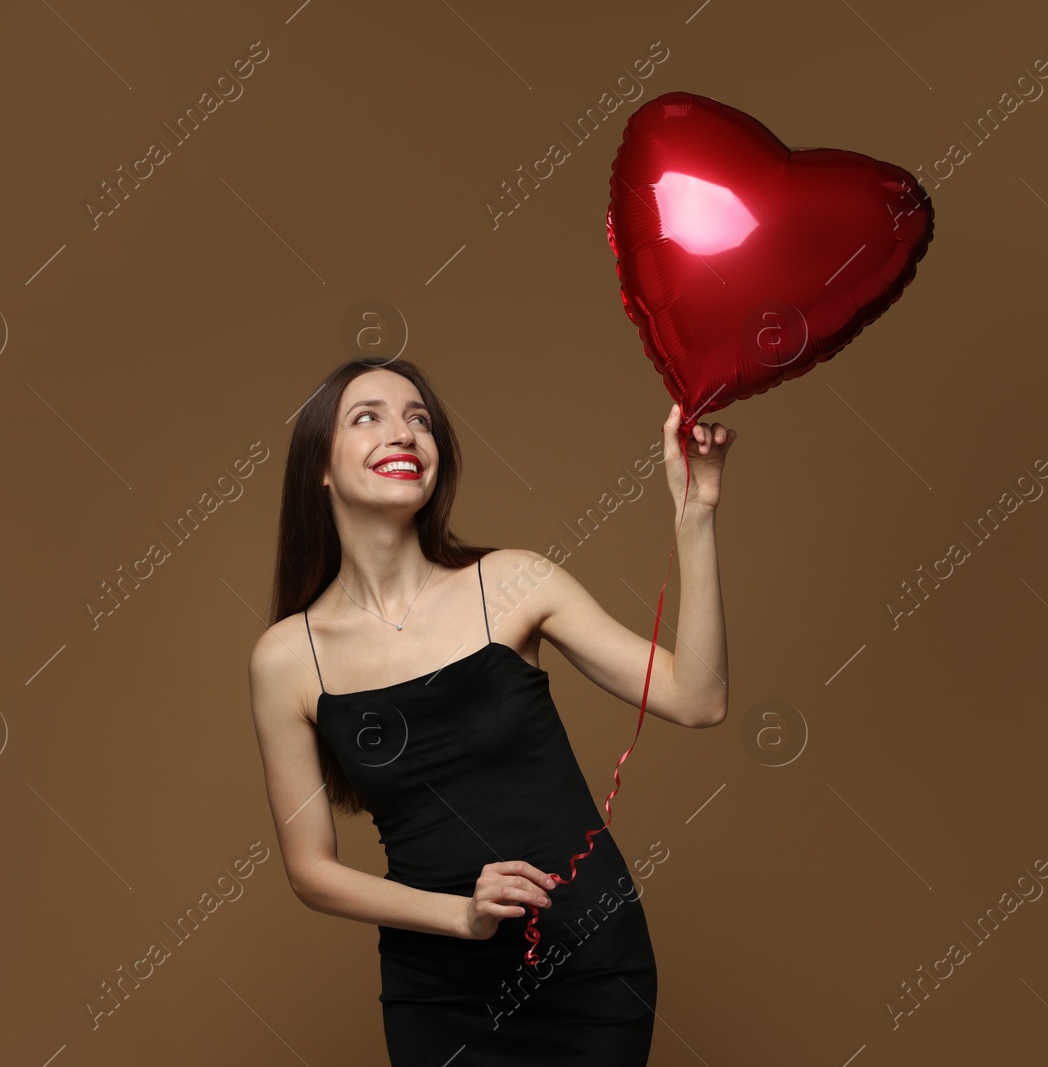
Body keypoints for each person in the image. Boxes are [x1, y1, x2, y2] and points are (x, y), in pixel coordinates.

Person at [247, 357, 735, 1065]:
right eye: (368, 416)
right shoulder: (287, 657)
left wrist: (696, 517)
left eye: (421, 419)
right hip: (438, 987)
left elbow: (699, 698)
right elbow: (310, 871)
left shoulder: (514, 581)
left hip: (588, 965)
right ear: (318, 467)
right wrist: (461, 916)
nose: (404, 433)